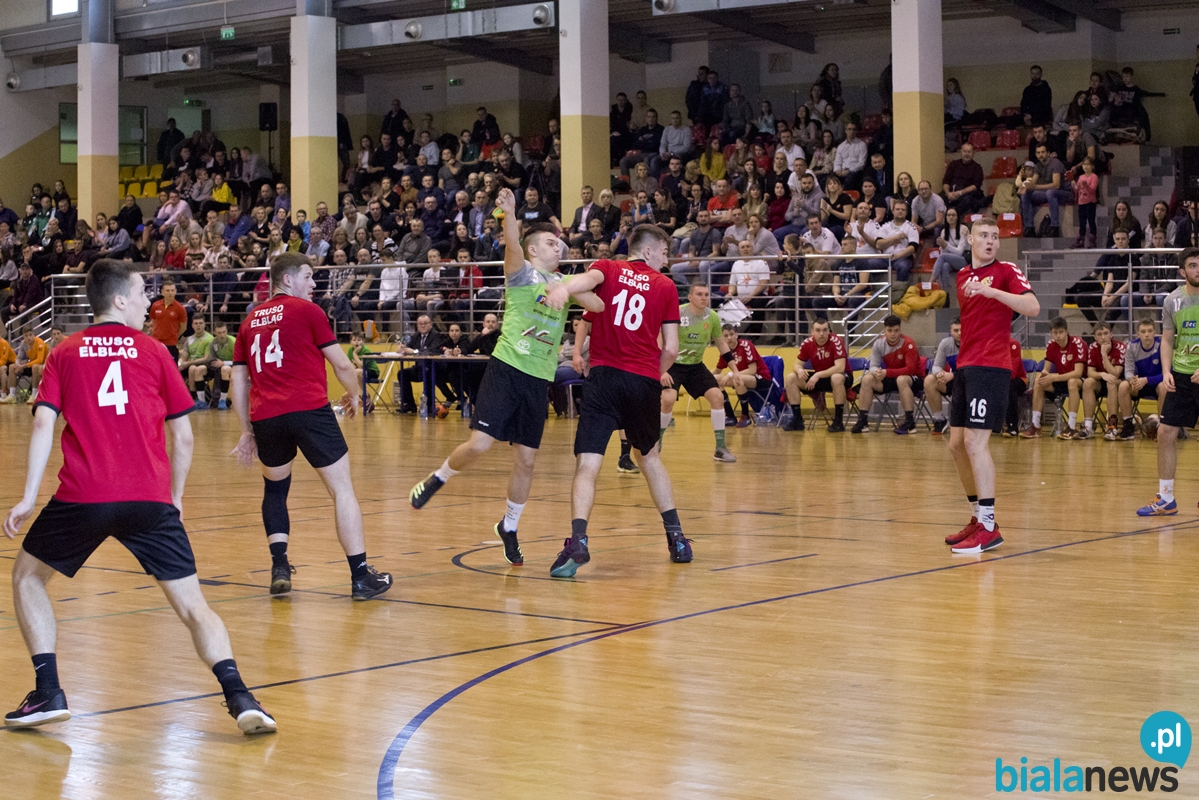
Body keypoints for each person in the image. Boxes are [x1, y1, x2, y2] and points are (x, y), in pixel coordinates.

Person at [2, 260, 275, 734]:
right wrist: (175, 497)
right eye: (141, 292)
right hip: (150, 499)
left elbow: (44, 423)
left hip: (84, 496)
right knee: (193, 606)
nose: (149, 301)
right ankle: (240, 697)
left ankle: (48, 691)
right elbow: (183, 437)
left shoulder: (65, 352)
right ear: (119, 299)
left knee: (27, 577)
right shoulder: (154, 351)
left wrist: (28, 497)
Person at [407, 189, 603, 564]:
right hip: (507, 368)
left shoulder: (564, 283)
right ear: (534, 250)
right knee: (480, 445)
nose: (558, 247)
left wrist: (566, 286)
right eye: (551, 243)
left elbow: (599, 304)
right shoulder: (521, 272)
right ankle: (439, 477)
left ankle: (509, 527)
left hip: (538, 379)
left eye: (560, 243)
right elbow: (512, 241)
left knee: (526, 461)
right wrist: (509, 213)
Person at [230, 253, 392, 600]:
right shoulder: (308, 311)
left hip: (266, 417)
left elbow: (238, 381)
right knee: (342, 490)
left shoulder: (249, 321)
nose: (314, 283)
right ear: (287, 280)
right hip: (309, 409)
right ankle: (361, 577)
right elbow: (342, 365)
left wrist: (246, 430)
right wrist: (355, 394)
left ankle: (279, 565)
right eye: (308, 276)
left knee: (275, 491)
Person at [540, 224, 689, 577]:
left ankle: (578, 540)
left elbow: (585, 281)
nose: (667, 260)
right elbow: (671, 348)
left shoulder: (607, 267)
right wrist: (652, 372)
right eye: (665, 252)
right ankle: (677, 539)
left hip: (604, 379)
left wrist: (562, 288)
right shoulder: (666, 286)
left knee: (588, 465)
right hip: (643, 380)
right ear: (648, 251)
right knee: (649, 458)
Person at [943, 218, 1040, 553]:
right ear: (970, 240)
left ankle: (988, 525)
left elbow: (1033, 307)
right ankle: (976, 515)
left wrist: (992, 291)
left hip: (991, 365)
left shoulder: (1006, 271)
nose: (990, 241)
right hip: (966, 365)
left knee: (975, 442)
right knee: (956, 444)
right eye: (983, 236)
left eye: (995, 237)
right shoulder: (961, 276)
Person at [1137, 250, 1199, 515]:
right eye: (1193, 265)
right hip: (1181, 376)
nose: (1198, 269)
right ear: (1183, 271)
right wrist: (1166, 371)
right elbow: (1167, 339)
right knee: (1165, 432)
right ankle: (1166, 498)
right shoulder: (1172, 300)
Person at [660, 282, 736, 461]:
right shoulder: (677, 313)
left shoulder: (712, 316)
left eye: (706, 295)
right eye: (699, 294)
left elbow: (721, 344)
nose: (704, 298)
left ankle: (720, 448)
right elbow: (660, 338)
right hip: (672, 365)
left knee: (717, 397)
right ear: (690, 297)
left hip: (695, 366)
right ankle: (657, 441)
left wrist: (735, 369)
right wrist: (661, 370)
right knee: (668, 399)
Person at [851, 314, 923, 434]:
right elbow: (873, 365)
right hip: (892, 377)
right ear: (884, 330)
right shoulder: (879, 344)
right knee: (867, 379)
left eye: (896, 330)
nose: (893, 334)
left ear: (900, 330)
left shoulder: (908, 344)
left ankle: (910, 422)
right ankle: (863, 421)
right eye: (889, 331)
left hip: (914, 378)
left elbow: (910, 369)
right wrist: (877, 373)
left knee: (901, 379)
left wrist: (886, 372)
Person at [1022, 316, 1086, 440]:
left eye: (1061, 332)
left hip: (1079, 381)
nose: (1058, 336)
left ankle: (1071, 427)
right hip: (1061, 379)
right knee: (1039, 382)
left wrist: (1053, 378)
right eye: (1055, 332)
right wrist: (1044, 375)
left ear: (1066, 332)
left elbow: (1078, 373)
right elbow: (1046, 369)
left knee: (1072, 382)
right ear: (1051, 333)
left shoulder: (1078, 343)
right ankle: (1035, 426)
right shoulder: (1051, 345)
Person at [784, 317, 850, 432]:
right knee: (791, 378)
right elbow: (797, 364)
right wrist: (799, 370)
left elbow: (840, 367)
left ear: (829, 331)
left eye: (825, 330)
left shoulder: (836, 341)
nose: (821, 334)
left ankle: (838, 421)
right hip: (820, 377)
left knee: (836, 377)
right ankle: (797, 420)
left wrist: (817, 375)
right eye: (818, 330)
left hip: (843, 376)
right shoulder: (807, 343)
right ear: (812, 332)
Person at [1117, 317, 1166, 442]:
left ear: (1155, 332)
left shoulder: (1162, 345)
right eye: (1143, 331)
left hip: (1156, 384)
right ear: (1138, 334)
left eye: (1150, 331)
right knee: (1123, 386)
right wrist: (1131, 380)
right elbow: (1128, 370)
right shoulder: (1131, 346)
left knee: (1164, 387)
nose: (1147, 334)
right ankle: (1128, 425)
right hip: (1139, 385)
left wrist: (1147, 380)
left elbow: (1167, 373)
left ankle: (1162, 427)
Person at [713, 324, 771, 428]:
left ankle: (745, 416)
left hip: (760, 377)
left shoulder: (746, 345)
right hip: (740, 377)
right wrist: (702, 375)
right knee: (715, 380)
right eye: (726, 336)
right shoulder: (725, 351)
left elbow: (752, 370)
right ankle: (730, 416)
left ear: (736, 335)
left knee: (738, 379)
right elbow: (717, 370)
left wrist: (731, 374)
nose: (729, 338)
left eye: (731, 334)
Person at [1079, 322, 1126, 440]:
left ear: (1111, 334)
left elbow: (1116, 373)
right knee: (1088, 382)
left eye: (1106, 333)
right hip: (1101, 380)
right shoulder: (1093, 347)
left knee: (1111, 382)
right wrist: (1102, 374)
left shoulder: (1120, 347)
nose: (1103, 337)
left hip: (1118, 383)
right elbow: (1090, 372)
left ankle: (1112, 426)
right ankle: (1088, 426)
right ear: (1095, 337)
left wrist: (1104, 354)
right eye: (1099, 334)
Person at [926, 319, 962, 434]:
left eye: (962, 330)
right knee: (929, 380)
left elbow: (974, 369)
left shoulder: (973, 343)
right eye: (956, 330)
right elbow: (936, 366)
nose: (959, 333)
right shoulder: (945, 344)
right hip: (954, 381)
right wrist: (940, 374)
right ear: (950, 332)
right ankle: (940, 419)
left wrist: (952, 375)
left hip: (970, 382)